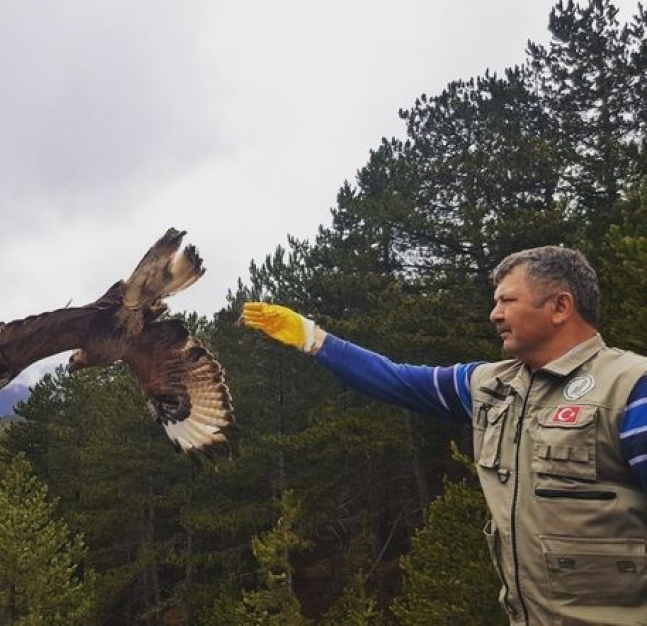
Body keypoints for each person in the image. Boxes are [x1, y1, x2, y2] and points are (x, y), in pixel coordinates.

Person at [240, 246, 647, 626]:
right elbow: (395, 379)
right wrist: (313, 339)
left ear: (560, 306)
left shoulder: (629, 387)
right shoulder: (490, 385)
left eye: (508, 301)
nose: (494, 314)